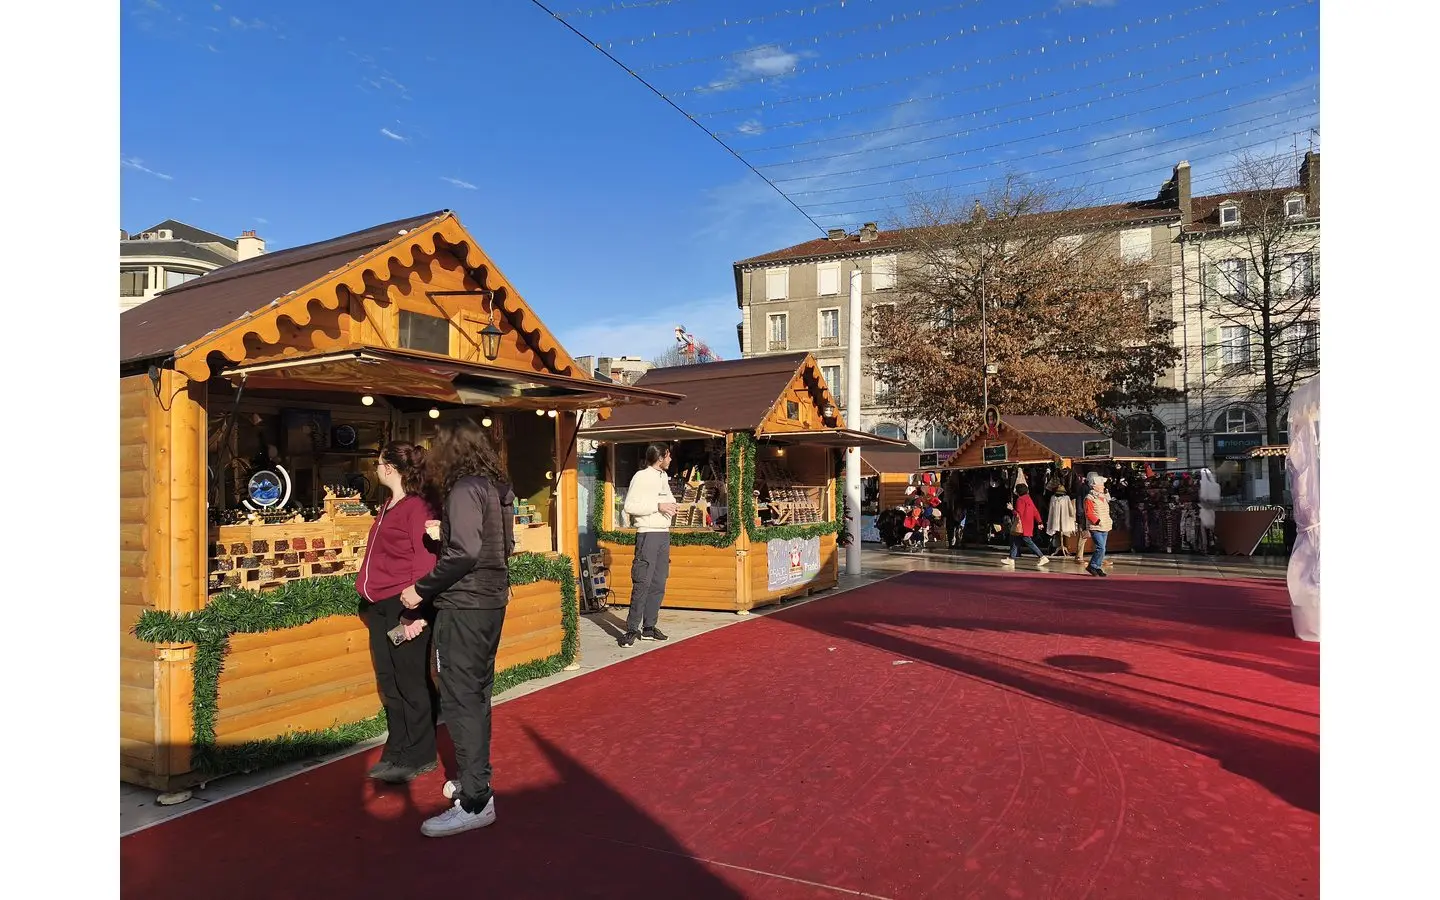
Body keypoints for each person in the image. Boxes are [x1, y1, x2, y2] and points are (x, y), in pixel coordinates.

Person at [400, 418, 516, 838]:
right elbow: (503, 546)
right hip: (490, 601)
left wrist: (420, 589)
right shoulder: (497, 489)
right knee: (476, 695)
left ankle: (476, 799)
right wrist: (447, 532)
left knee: (462, 698)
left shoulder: (465, 488)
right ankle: (474, 780)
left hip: (465, 604)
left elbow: (465, 553)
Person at [357, 442, 442, 784]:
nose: (376, 469)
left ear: (390, 468)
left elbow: (425, 562)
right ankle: (397, 749)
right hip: (379, 605)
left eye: (379, 463)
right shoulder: (387, 505)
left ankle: (420, 754)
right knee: (390, 681)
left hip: (404, 605)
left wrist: (416, 612)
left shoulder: (416, 507)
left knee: (411, 681)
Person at [619, 443, 678, 647]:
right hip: (648, 533)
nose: (670, 459)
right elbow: (630, 506)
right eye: (668, 456)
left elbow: (666, 500)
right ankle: (631, 629)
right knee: (642, 582)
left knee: (659, 583)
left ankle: (649, 628)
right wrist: (658, 506)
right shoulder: (641, 476)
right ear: (660, 457)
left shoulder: (663, 477)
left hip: (663, 534)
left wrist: (672, 506)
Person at [1001, 483, 1049, 568]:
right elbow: (1035, 511)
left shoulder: (1020, 500)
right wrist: (1040, 522)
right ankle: (1011, 558)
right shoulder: (1028, 499)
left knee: (1028, 542)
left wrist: (1011, 509)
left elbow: (1018, 514)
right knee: (1015, 540)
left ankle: (1042, 557)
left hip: (1022, 525)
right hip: (1028, 524)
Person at [1083, 472, 1113, 577]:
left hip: (1105, 526)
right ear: (1095, 486)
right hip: (1096, 526)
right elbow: (1089, 513)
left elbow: (1109, 504)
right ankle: (1093, 565)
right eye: (1101, 485)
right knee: (1101, 548)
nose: (1103, 486)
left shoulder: (1103, 496)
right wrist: (1097, 521)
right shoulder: (1089, 498)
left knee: (1102, 548)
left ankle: (1097, 566)